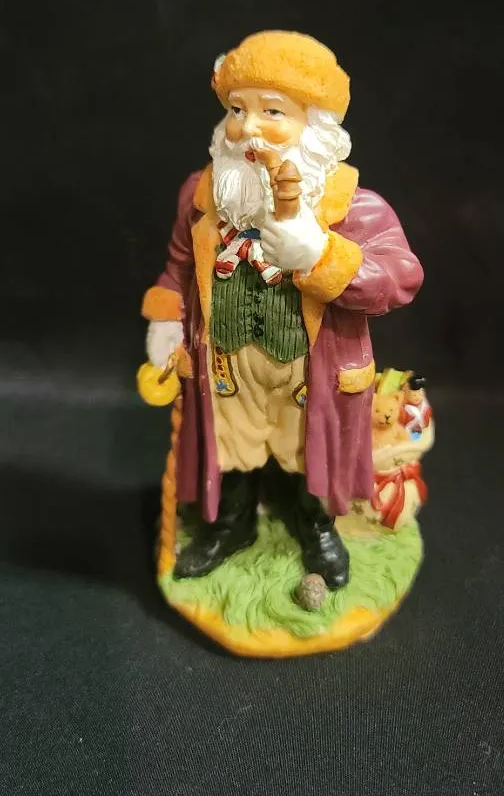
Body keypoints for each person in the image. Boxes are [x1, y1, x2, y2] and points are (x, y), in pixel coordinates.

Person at [142, 30, 423, 589]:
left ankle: (315, 527)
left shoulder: (354, 209)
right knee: (232, 447)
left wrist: (321, 257)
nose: (248, 128)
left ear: (313, 126)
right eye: (236, 110)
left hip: (309, 372)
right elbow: (179, 264)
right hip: (228, 366)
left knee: (307, 451)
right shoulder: (202, 196)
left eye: (272, 111)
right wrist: (167, 318)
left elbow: (399, 277)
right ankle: (232, 525)